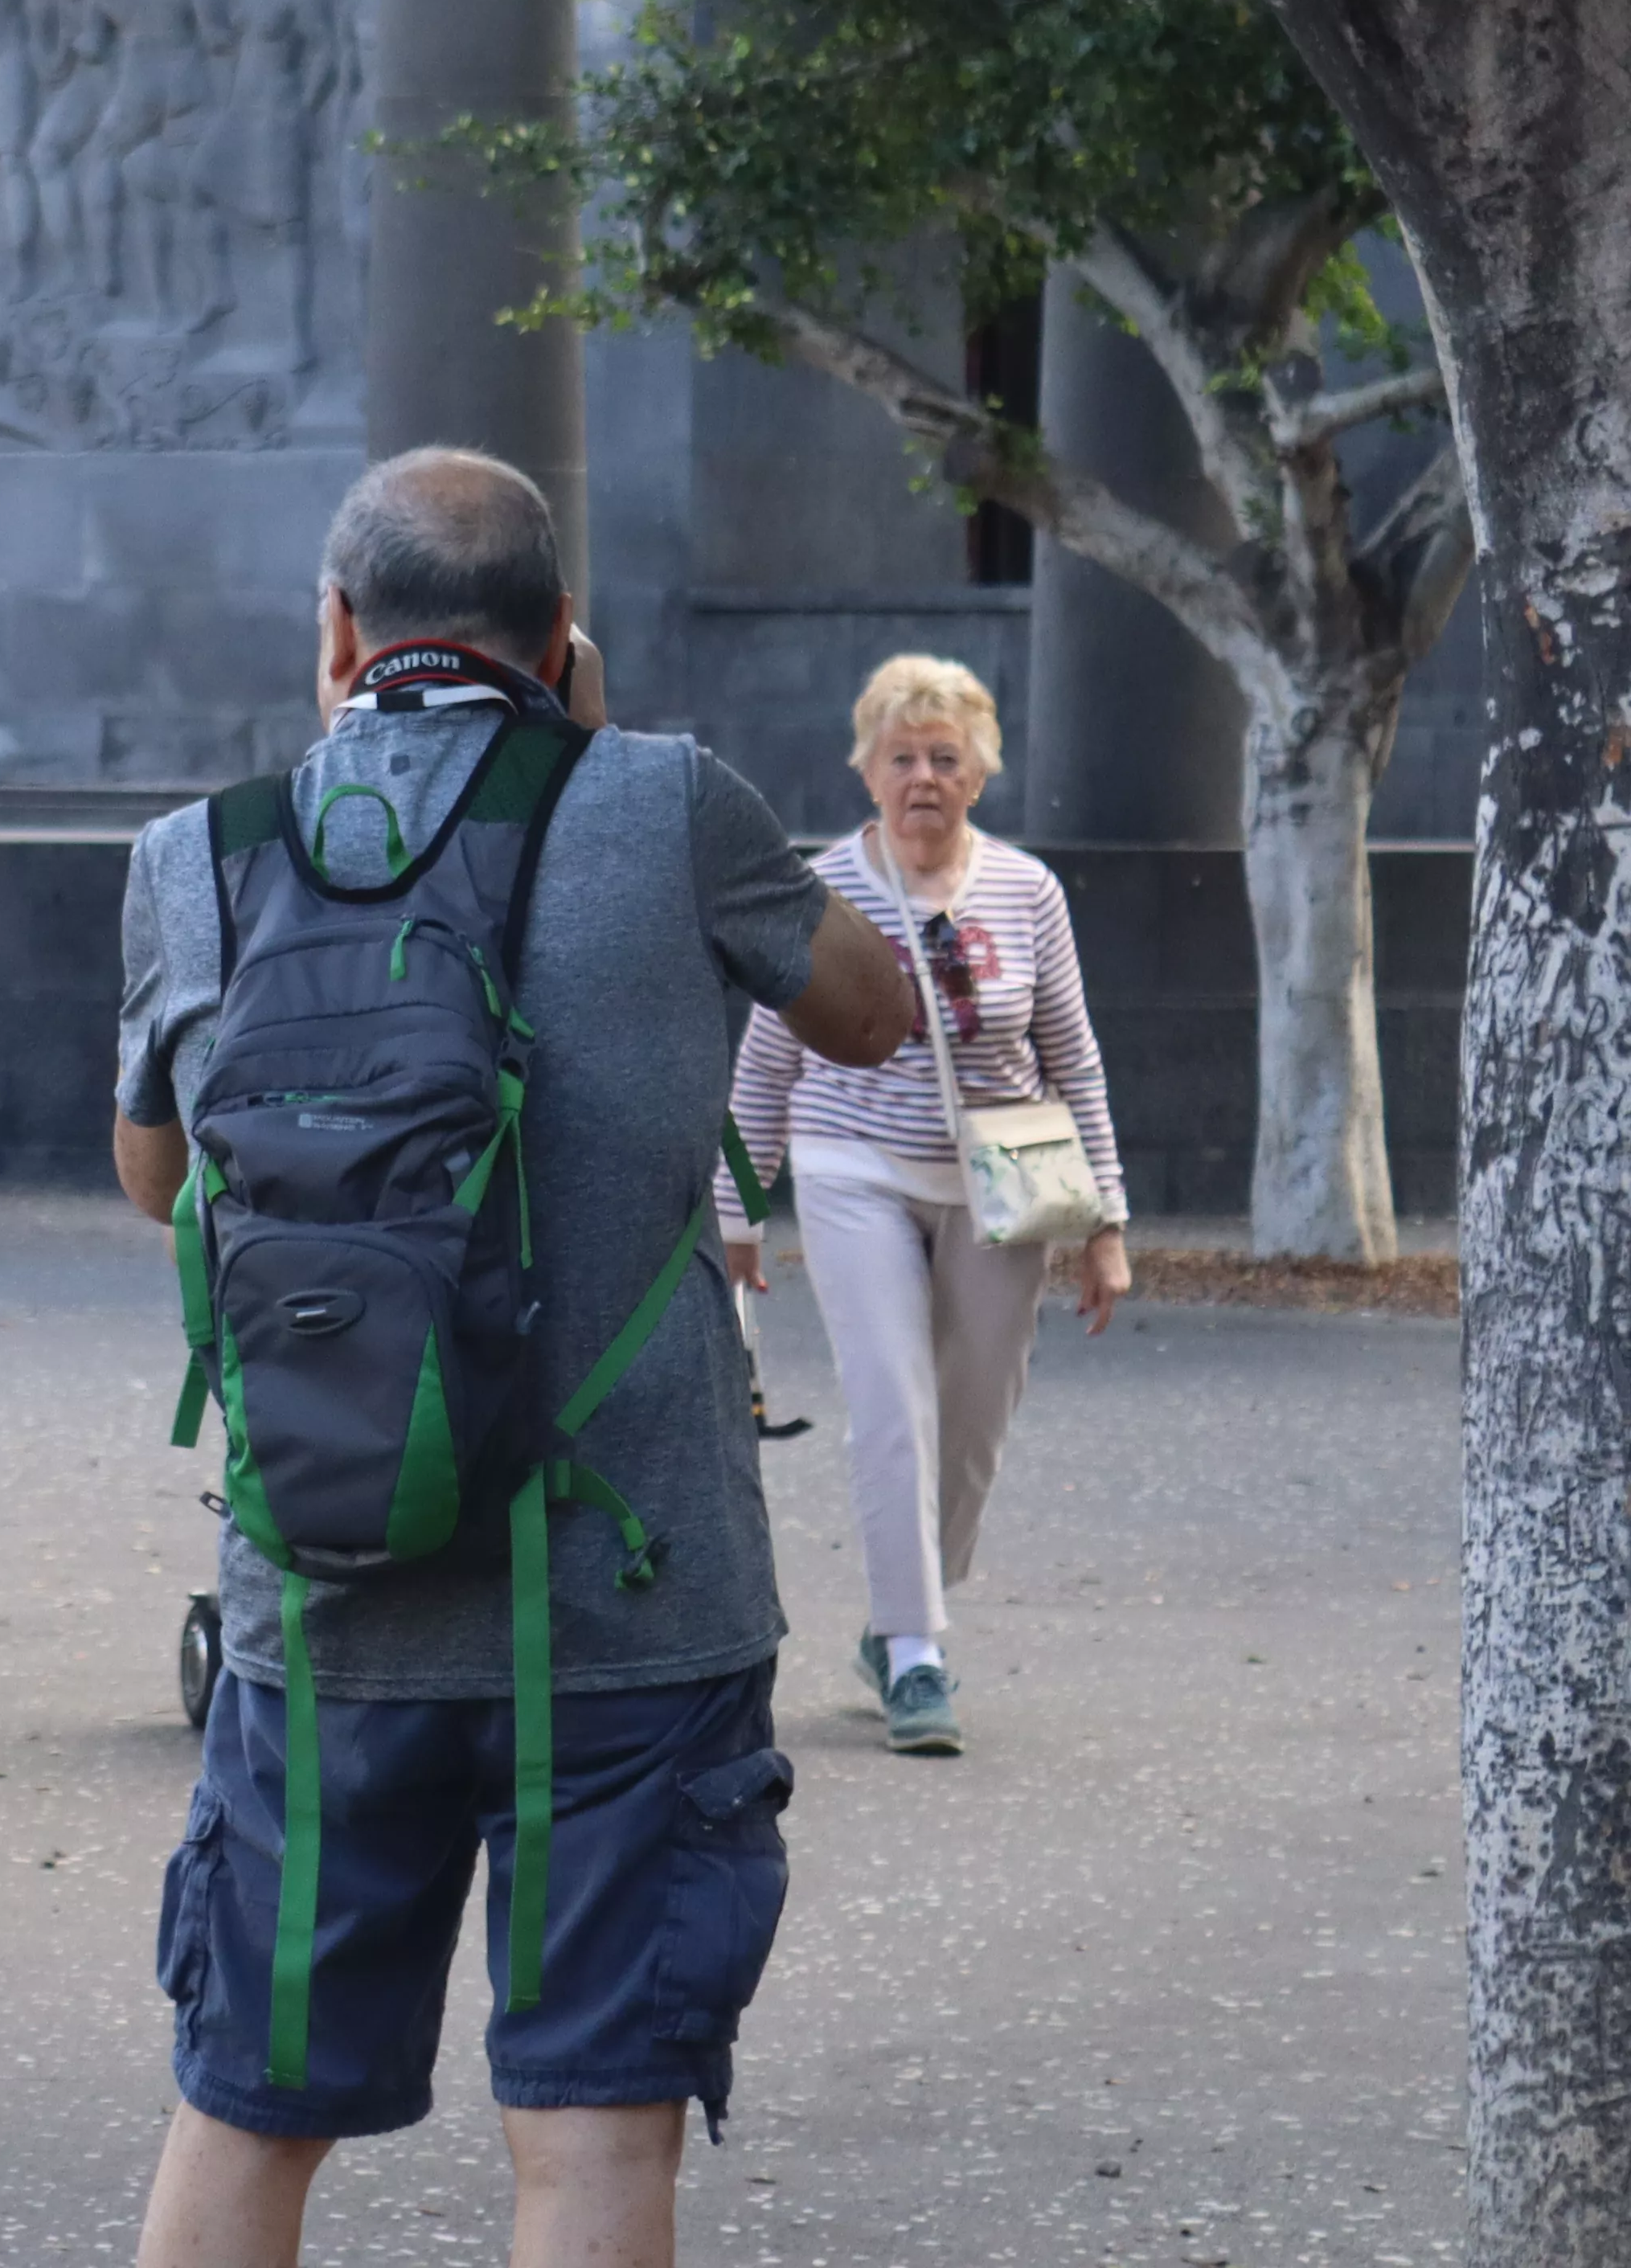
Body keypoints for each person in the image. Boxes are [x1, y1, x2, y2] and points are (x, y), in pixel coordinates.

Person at [111, 448, 914, 2266]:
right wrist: (608, 751)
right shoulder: (662, 802)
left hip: (323, 1599)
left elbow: (157, 1174)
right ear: (561, 639)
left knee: (244, 2114)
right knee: (594, 2140)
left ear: (337, 629)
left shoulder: (203, 851)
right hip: (634, 1599)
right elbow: (874, 1013)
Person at [719, 653, 1129, 1759]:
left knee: (975, 1421)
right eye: (901, 757)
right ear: (865, 769)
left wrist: (1109, 1226)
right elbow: (765, 1064)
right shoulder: (822, 890)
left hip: (1002, 1187)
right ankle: (915, 1654)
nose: (923, 779)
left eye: (945, 758)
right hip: (853, 1169)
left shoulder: (1027, 892)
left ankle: (908, 1603)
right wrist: (739, 1211)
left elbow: (1074, 1061)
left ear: (981, 773)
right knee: (894, 1406)